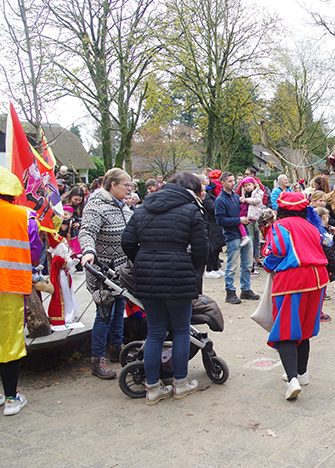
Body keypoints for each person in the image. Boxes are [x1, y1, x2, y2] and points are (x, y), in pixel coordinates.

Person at [121, 172, 208, 405]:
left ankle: (152, 387)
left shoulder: (142, 209)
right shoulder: (192, 210)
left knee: (156, 331)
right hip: (179, 274)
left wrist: (142, 260)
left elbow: (127, 242)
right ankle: (180, 383)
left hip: (147, 276)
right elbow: (202, 248)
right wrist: (190, 267)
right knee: (181, 330)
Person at [262, 192, 329, 400]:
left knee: (285, 327)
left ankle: (292, 380)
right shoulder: (311, 226)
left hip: (293, 279)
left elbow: (278, 249)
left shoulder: (280, 225)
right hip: (318, 278)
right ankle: (302, 373)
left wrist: (267, 264)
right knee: (305, 326)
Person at [79, 167, 134, 379]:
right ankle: (97, 359)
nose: (129, 189)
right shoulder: (96, 205)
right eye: (126, 185)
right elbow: (87, 232)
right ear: (113, 185)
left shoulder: (124, 206)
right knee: (104, 315)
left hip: (122, 270)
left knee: (119, 309)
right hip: (102, 270)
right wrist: (88, 252)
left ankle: (117, 349)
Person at [0, 166, 42, 416]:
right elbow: (35, 252)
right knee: (9, 342)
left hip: (11, 283)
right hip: (10, 286)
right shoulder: (24, 216)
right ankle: (12, 399)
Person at [215, 171, 260, 304]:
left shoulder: (236, 197)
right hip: (232, 235)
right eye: (230, 181)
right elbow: (220, 220)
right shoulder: (220, 200)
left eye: (233, 180)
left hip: (244, 233)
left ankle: (246, 289)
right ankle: (230, 291)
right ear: (222, 183)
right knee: (232, 265)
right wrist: (238, 221)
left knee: (247, 264)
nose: (233, 183)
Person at [203, 175, 226, 279]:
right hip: (211, 223)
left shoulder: (210, 193)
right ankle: (209, 269)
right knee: (212, 246)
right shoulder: (206, 196)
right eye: (207, 179)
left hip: (215, 223)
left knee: (217, 247)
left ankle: (216, 267)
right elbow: (212, 207)